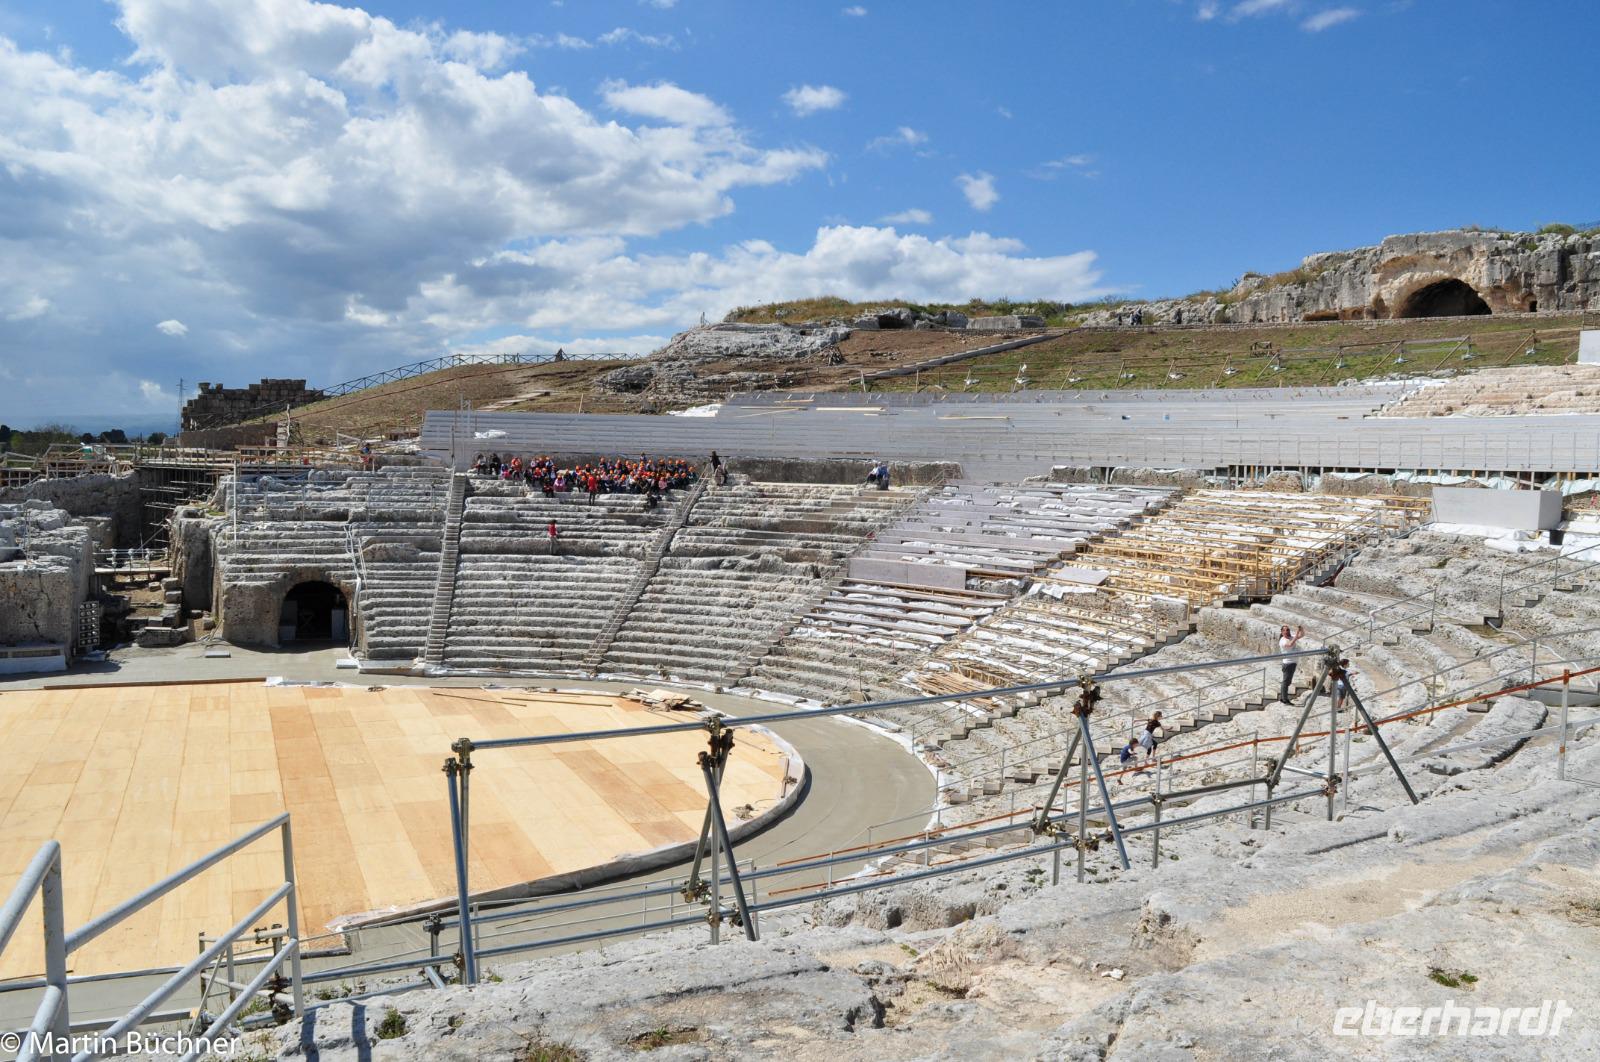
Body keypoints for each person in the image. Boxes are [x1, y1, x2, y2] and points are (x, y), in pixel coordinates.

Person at [1278, 624, 1304, 703]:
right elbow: (1290, 644)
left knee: (1287, 682)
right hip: (1288, 663)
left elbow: (1302, 635)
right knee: (1286, 682)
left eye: (1288, 630)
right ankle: (1284, 699)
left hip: (1292, 663)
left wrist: (1301, 629)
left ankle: (1283, 697)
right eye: (1285, 630)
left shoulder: (1291, 637)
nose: (1287, 631)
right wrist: (1296, 635)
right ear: (1282, 632)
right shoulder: (1282, 640)